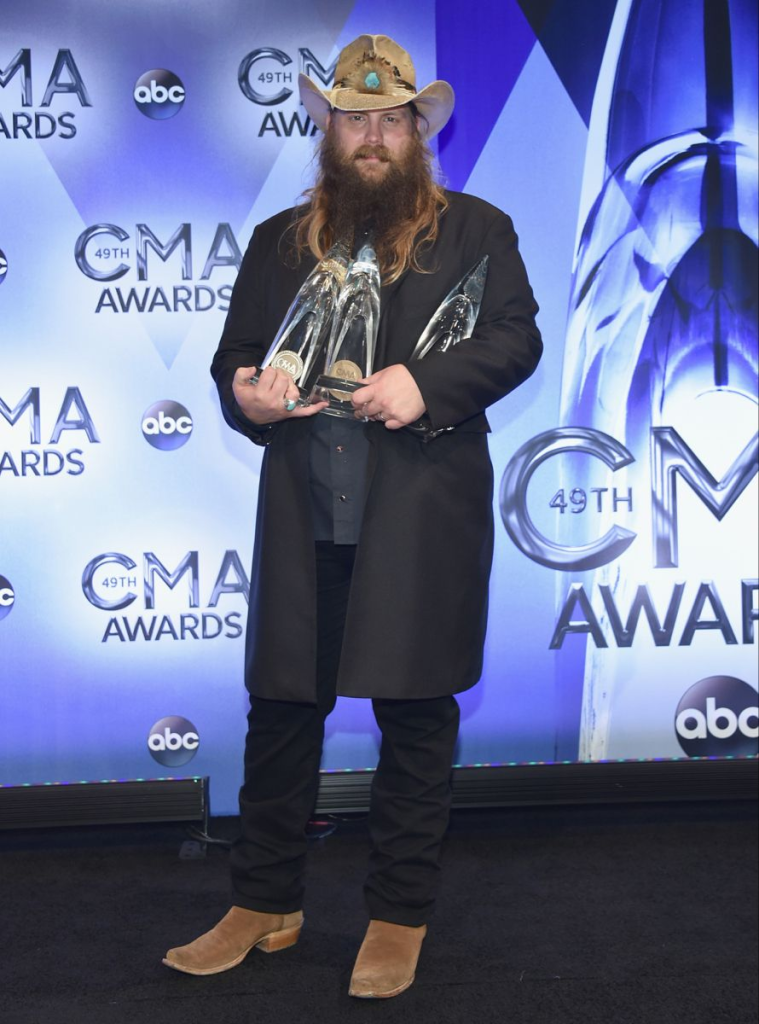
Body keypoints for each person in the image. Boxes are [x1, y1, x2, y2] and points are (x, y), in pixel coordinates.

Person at [163, 33, 542, 999]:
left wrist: (426, 384)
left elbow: (516, 339)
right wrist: (246, 396)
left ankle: (397, 915)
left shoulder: (479, 230)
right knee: (281, 713)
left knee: (415, 717)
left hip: (416, 520)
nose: (371, 136)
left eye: (390, 120)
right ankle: (263, 903)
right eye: (352, 119)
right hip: (305, 516)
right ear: (327, 131)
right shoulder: (276, 241)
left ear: (418, 131)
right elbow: (234, 358)